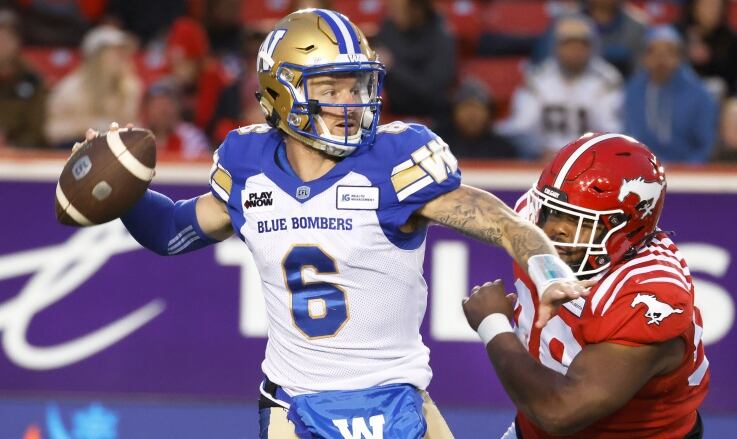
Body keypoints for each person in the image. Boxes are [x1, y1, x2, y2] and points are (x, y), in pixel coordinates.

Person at [72, 9, 589, 438]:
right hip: (292, 406)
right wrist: (123, 192)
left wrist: (546, 268)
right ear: (280, 93)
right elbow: (171, 232)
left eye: (358, 86)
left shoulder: (394, 160)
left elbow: (498, 219)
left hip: (395, 400)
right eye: (332, 88)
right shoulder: (248, 163)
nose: (351, 104)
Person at [462, 132, 709, 438]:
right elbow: (489, 215)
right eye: (552, 213)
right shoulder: (534, 218)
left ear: (626, 228)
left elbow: (560, 412)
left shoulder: (648, 291)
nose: (554, 231)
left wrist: (493, 324)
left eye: (581, 222)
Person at [498, 14, 623, 160]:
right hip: (542, 159)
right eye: (568, 44)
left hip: (593, 159)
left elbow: (611, 129)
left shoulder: (608, 79)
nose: (575, 50)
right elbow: (523, 126)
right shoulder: (537, 78)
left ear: (591, 47)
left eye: (581, 44)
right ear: (556, 46)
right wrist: (539, 150)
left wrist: (586, 154)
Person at [624, 25, 718, 164]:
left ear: (679, 57)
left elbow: (705, 145)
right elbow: (627, 137)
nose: (661, 59)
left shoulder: (700, 95)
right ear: (644, 57)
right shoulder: (632, 92)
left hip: (688, 173)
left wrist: (688, 171)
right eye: (654, 52)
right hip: (641, 172)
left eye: (669, 52)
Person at [45, 25, 142, 149]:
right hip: (76, 153)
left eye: (123, 52)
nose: (122, 58)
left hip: (117, 153)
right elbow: (52, 131)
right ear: (96, 57)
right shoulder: (70, 90)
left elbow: (134, 125)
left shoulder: (130, 87)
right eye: (115, 52)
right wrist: (90, 126)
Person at [372, 0, 456, 122]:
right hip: (391, 110)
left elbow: (432, 87)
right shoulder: (388, 28)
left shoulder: (442, 36)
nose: (391, 13)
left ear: (417, 10)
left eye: (396, 8)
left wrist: (393, 66)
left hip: (432, 115)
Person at [680, 0, 737, 97]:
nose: (713, 10)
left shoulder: (730, 38)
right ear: (694, 7)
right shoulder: (678, 34)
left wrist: (710, 59)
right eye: (707, 5)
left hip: (723, 97)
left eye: (717, 6)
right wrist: (686, 54)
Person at [435, 79, 519, 159]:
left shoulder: (503, 150)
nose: (472, 115)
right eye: (466, 107)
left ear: (488, 113)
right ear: (454, 112)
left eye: (478, 108)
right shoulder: (437, 146)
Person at [0, 9, 48, 149]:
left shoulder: (32, 81)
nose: (1, 45)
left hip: (18, 158)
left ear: (17, 42)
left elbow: (36, 130)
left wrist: (11, 146)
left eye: (6, 39)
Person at [142, 79, 211, 160]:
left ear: (178, 108)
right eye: (157, 105)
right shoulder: (138, 137)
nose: (163, 111)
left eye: (168, 104)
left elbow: (200, 168)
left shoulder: (192, 138)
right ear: (147, 108)